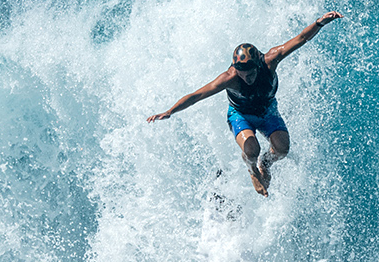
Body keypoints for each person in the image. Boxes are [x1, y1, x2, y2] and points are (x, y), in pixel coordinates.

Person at [146, 12, 344, 195]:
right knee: (251, 148)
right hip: (240, 115)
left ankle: (264, 164)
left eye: (250, 74)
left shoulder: (270, 60)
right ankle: (252, 170)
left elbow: (301, 39)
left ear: (258, 65)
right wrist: (170, 111)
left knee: (283, 149)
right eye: (242, 74)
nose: (246, 79)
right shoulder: (229, 78)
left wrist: (320, 23)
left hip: (267, 112)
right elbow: (197, 95)